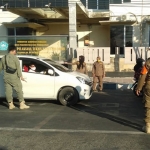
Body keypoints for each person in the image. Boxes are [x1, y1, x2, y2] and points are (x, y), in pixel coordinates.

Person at [0, 45, 30, 110]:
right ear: (13, 50)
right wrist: (21, 76)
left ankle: (10, 105)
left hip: (6, 77)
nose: (16, 52)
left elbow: (0, 67)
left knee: (8, 91)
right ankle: (22, 104)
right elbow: (18, 68)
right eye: (15, 50)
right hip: (14, 77)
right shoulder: (15, 58)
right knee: (19, 90)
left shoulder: (3, 58)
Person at [136, 58, 150, 133]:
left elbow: (143, 76)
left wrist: (139, 88)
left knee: (148, 104)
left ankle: (148, 126)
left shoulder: (148, 63)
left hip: (149, 85)